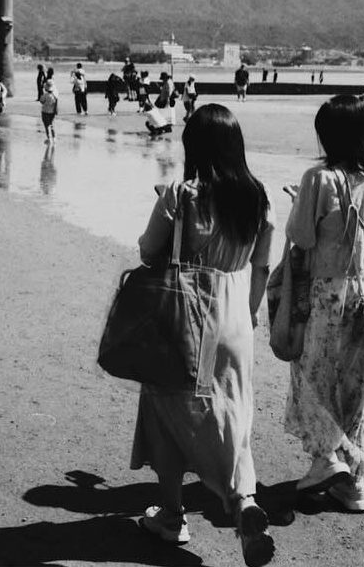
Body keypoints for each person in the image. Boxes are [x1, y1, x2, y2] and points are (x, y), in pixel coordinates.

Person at [130, 104, 275, 565]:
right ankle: (245, 503)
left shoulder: (180, 192)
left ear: (192, 146)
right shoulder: (258, 197)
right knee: (234, 414)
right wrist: (249, 315)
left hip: (188, 316)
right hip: (236, 319)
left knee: (166, 415)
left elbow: (149, 252)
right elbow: (262, 265)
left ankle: (172, 517)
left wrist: (166, 207)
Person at [283, 94, 364, 515]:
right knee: (359, 386)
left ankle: (325, 460)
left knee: (313, 374)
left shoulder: (320, 179)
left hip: (328, 292)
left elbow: (302, 237)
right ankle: (354, 483)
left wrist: (298, 203)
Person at [39, 77, 59, 142]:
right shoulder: (55, 95)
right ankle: (54, 137)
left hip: (45, 111)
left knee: (46, 125)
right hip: (52, 112)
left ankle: (49, 138)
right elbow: (56, 103)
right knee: (52, 125)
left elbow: (41, 101)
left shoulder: (45, 95)